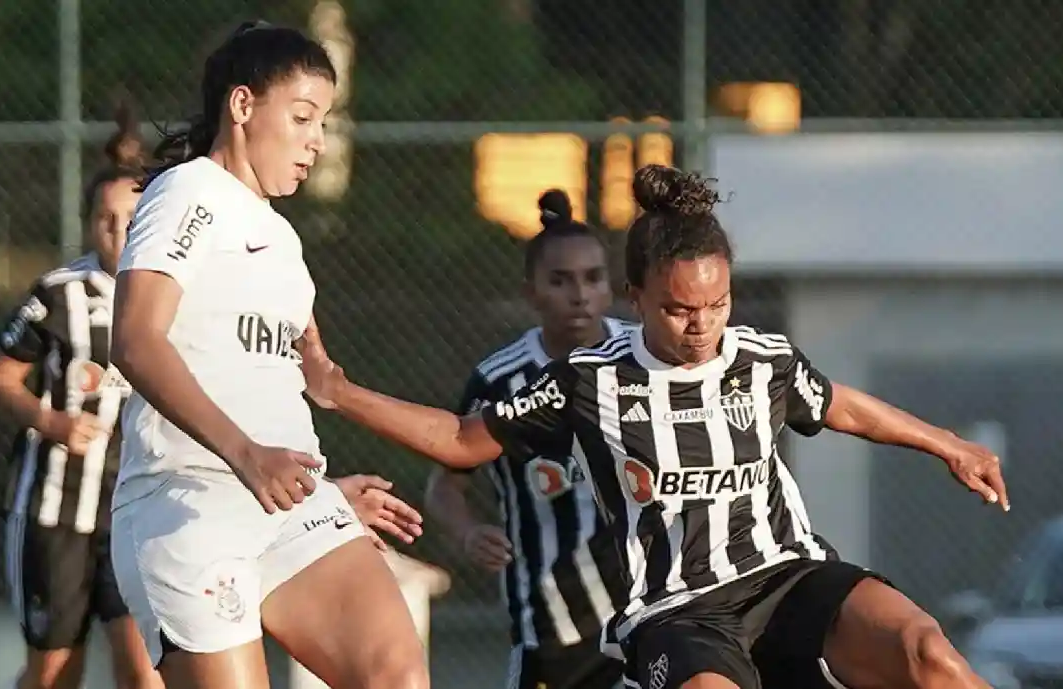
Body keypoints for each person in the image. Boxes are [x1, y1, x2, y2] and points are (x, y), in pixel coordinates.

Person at [303, 163, 1013, 689]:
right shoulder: (590, 379)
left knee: (929, 653)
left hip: (787, 574)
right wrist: (340, 391)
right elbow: (461, 439)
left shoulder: (761, 358)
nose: (701, 324)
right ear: (635, 296)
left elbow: (840, 404)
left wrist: (948, 444)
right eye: (678, 308)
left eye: (718, 302)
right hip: (678, 608)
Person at [106, 21, 426, 689]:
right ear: (243, 106)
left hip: (289, 507)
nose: (318, 138)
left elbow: (284, 382)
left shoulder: (281, 240)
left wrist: (321, 488)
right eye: (303, 116)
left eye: (325, 121)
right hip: (188, 506)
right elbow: (136, 339)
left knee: (396, 673)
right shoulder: (188, 193)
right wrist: (247, 454)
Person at [426, 189, 631, 689]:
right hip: (553, 625)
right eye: (560, 281)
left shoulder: (641, 359)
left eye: (592, 279)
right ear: (532, 293)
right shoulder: (500, 382)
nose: (579, 295)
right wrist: (469, 534)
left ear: (611, 288)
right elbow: (444, 486)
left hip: (645, 611)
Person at [0, 103, 163, 689]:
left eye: (132, 219)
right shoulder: (58, 294)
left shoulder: (177, 300)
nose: (118, 231)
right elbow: (1, 377)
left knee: (145, 672)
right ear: (90, 222)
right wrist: (52, 421)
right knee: (55, 676)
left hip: (136, 515)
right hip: (55, 511)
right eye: (105, 219)